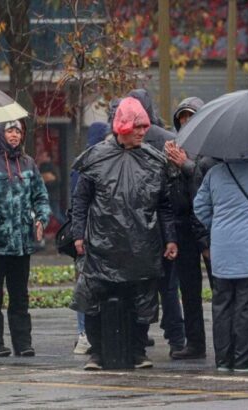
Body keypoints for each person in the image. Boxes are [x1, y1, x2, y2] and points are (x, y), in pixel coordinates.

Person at [71, 97, 177, 371]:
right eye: (139, 126)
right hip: (102, 243)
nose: (145, 131)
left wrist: (171, 238)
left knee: (141, 299)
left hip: (142, 243)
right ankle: (97, 352)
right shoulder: (96, 158)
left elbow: (164, 204)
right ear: (124, 126)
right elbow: (81, 200)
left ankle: (138, 350)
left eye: (146, 126)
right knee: (94, 298)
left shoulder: (154, 160)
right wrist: (78, 235)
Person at [0, 121, 51, 357]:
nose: (14, 135)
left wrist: (41, 220)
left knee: (20, 297)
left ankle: (23, 343)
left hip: (22, 246)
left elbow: (41, 196)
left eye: (18, 131)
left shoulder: (28, 163)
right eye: (9, 130)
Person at [194, 158, 248, 372]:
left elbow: (199, 207)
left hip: (223, 247)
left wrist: (218, 225)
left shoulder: (214, 173)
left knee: (222, 305)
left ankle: (223, 360)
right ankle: (244, 359)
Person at [163, 97, 210, 360]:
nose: (186, 122)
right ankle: (195, 343)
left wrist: (186, 165)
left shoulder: (211, 148)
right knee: (189, 290)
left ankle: (228, 341)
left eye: (191, 116)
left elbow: (207, 182)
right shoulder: (174, 148)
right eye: (182, 118)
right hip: (182, 227)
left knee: (220, 287)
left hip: (206, 227)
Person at [69, 121, 110, 355]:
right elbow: (79, 202)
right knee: (86, 287)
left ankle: (90, 333)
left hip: (96, 234)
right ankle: (84, 333)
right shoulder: (87, 166)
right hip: (88, 235)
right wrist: (79, 234)